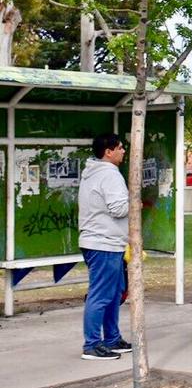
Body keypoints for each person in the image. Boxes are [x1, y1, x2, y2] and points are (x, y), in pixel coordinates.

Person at [78, 133, 132, 361]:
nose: (123, 151)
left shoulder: (93, 173)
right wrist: (134, 202)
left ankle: (112, 338)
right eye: (119, 148)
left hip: (105, 242)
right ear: (108, 151)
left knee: (114, 293)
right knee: (101, 295)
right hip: (104, 243)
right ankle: (92, 344)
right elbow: (118, 209)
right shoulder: (110, 175)